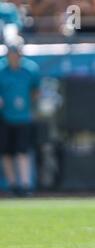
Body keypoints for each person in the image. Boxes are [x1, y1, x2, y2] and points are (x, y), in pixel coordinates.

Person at [0, 39, 41, 197]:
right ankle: (12, 185)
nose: (14, 57)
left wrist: (29, 107)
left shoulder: (30, 69)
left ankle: (25, 185)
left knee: (22, 151)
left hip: (23, 117)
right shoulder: (1, 69)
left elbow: (35, 91)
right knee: (7, 152)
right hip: (4, 116)